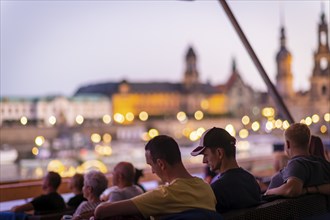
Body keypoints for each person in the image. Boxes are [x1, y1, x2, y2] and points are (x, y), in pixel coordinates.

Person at [94, 135, 217, 220]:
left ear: (161, 164)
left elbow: (101, 211)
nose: (152, 171)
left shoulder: (164, 195)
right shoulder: (206, 189)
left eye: (151, 165)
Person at [190, 127, 261, 213]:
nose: (204, 161)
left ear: (219, 153)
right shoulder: (251, 180)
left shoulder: (216, 190)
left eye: (206, 155)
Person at [265, 123, 330, 197]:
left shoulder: (297, 164)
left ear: (288, 144)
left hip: (279, 207)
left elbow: (292, 189)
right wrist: (311, 189)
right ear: (308, 142)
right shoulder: (323, 163)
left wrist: (268, 192)